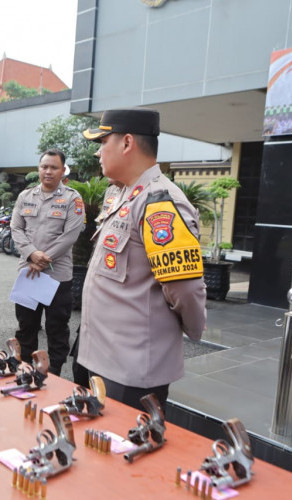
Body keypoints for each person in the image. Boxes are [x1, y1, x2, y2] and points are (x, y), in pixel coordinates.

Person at [78, 108, 206, 410]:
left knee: (126, 449)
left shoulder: (160, 201)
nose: (98, 153)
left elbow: (185, 289)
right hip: (101, 356)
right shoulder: (123, 195)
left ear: (126, 143)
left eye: (103, 142)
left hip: (132, 370)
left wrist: (189, 329)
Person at [10, 149, 85, 376]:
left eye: (54, 167)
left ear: (63, 170)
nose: (48, 171)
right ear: (38, 169)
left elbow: (70, 236)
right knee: (26, 327)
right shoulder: (26, 196)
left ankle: (53, 374)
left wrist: (41, 260)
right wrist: (32, 254)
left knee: (57, 329)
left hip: (57, 277)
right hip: (29, 274)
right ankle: (23, 370)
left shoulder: (73, 198)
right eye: (44, 167)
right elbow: (16, 228)